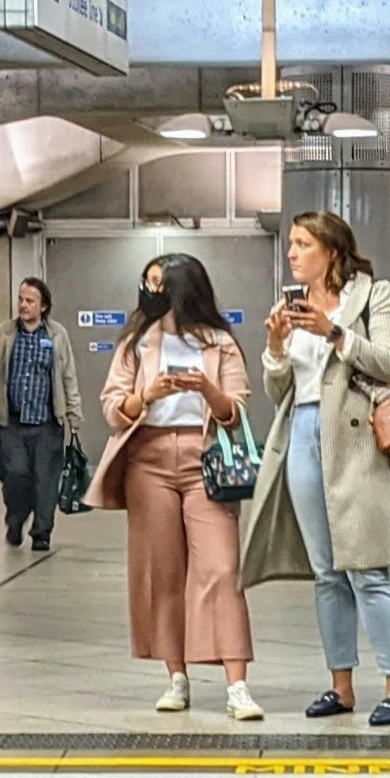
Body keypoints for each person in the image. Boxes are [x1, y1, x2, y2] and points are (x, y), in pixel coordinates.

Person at [239, 211, 390, 726]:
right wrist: (275, 348)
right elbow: (280, 391)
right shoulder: (291, 307)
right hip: (301, 432)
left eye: (302, 244)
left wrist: (335, 332)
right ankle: (341, 686)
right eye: (291, 245)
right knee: (326, 572)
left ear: (331, 251)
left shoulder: (373, 294)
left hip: (357, 438)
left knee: (367, 566)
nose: (292, 253)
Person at [85, 255, 258, 719]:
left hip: (207, 461)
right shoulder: (137, 341)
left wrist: (206, 389)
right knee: (162, 571)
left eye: (159, 283)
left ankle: (237, 685)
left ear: (183, 290)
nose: (149, 290)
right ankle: (176, 677)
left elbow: (236, 411)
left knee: (222, 567)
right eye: (147, 281)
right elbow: (111, 404)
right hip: (149, 459)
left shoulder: (219, 342)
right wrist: (149, 395)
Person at [0, 276, 82, 551]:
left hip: (47, 424)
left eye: (30, 301)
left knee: (46, 482)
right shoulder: (5, 333)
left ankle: (42, 532)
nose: (23, 305)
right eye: (21, 299)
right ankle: (16, 519)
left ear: (43, 306)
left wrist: (73, 413)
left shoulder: (57, 336)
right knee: (15, 475)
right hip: (13, 424)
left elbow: (68, 376)